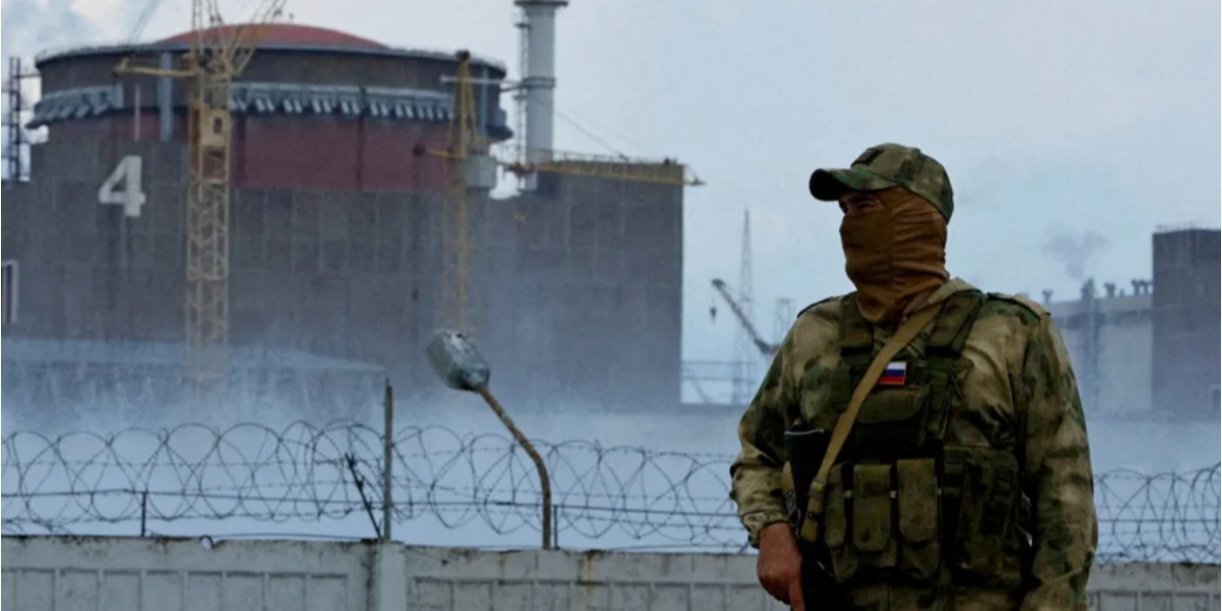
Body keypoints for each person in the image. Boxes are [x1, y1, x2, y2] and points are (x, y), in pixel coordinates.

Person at [729, 143, 1097, 610]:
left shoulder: (1011, 334)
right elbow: (757, 453)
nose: (849, 224)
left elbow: (1065, 500)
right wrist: (771, 531)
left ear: (917, 216)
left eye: (865, 206)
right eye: (844, 210)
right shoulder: (815, 337)